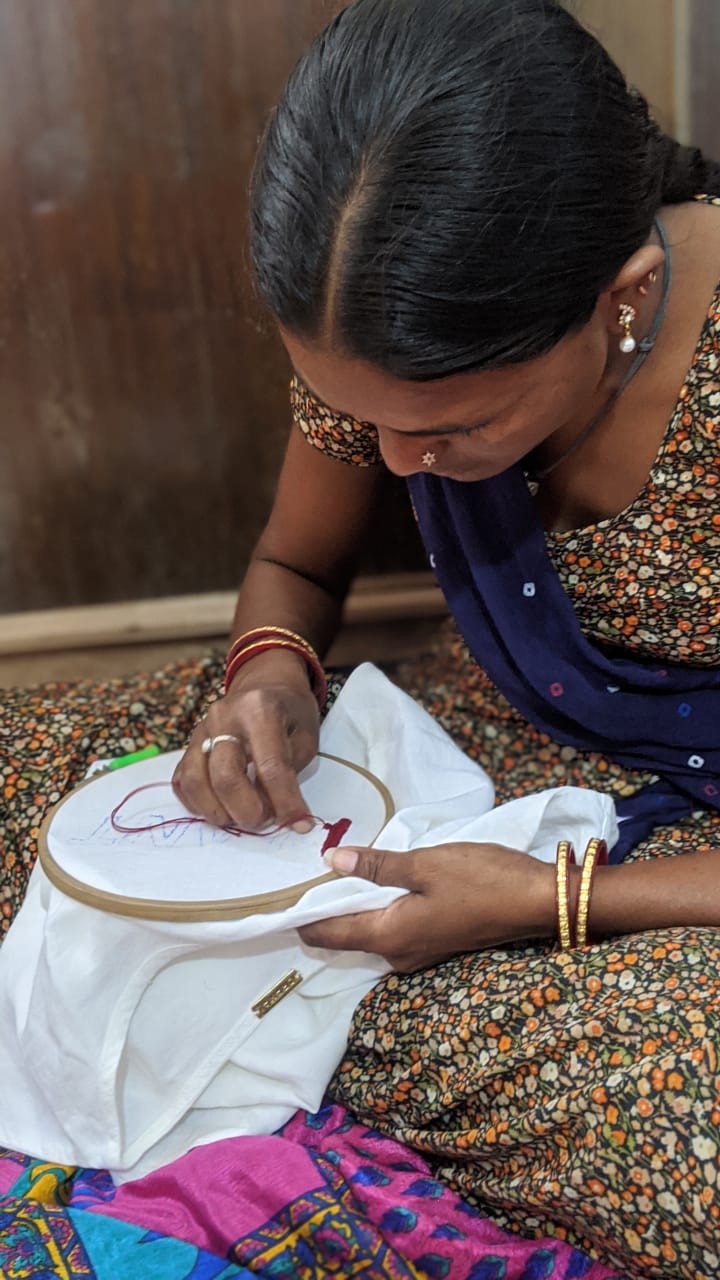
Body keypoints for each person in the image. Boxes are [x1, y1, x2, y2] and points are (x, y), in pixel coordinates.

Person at [169, 1, 720, 1273]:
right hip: (485, 744)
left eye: (456, 427)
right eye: (360, 416)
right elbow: (298, 561)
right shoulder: (391, 341)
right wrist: (266, 676)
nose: (402, 465)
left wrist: (546, 900)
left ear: (621, 303)